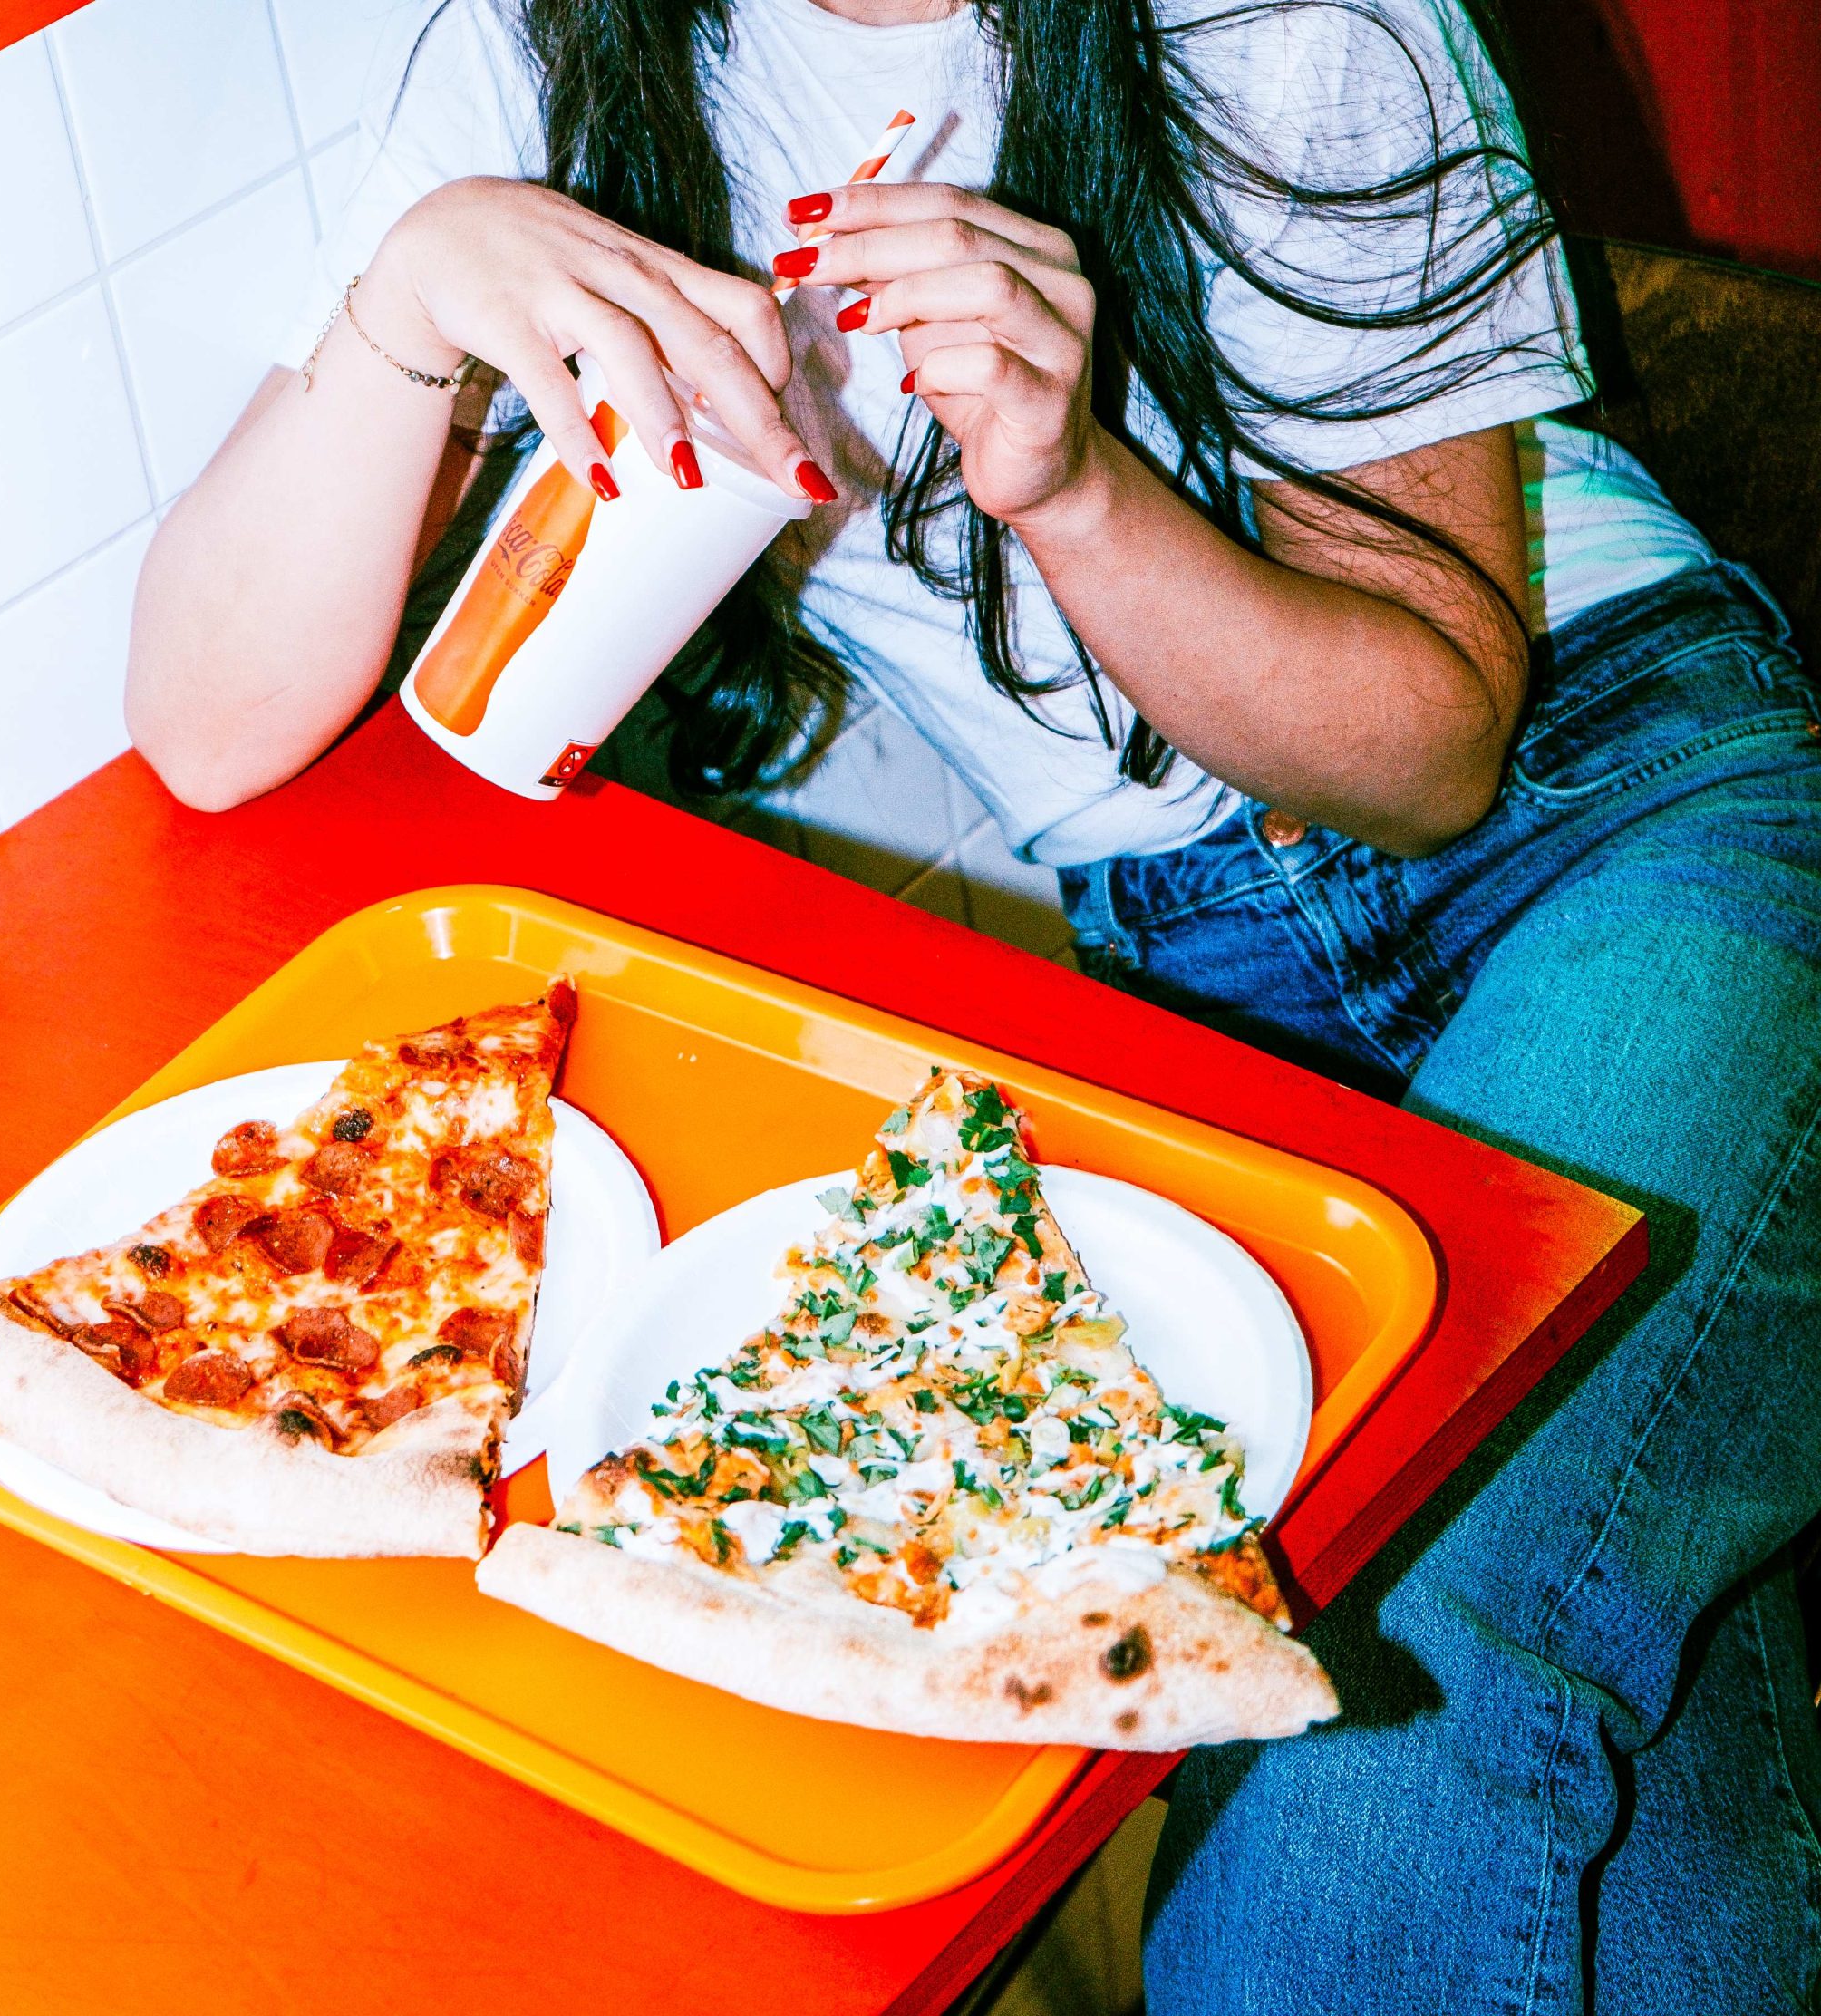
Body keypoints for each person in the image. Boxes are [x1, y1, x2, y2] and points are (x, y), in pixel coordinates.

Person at [125, 1, 1821, 2005]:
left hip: (1622, 808)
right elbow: (208, 734)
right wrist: (412, 287)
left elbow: (1427, 752)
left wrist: (1075, 482)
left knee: (1397, 1635)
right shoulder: (558, 51)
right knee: (1576, 1641)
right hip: (1194, 979)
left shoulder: (1294, 32)